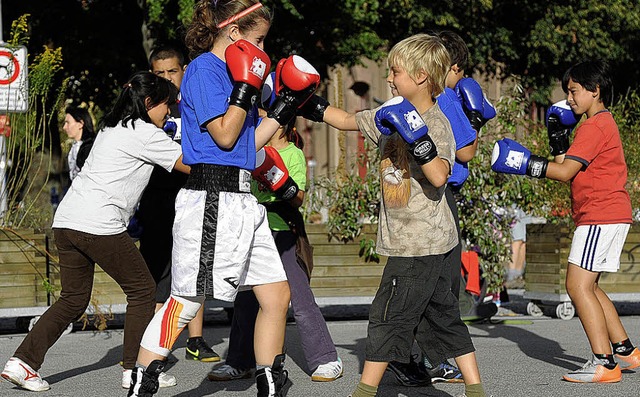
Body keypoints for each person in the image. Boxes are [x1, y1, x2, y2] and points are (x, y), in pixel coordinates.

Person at [127, 1, 320, 396]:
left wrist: (282, 107)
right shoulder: (204, 71)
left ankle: (270, 383)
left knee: (277, 292)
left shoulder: (236, 72)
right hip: (212, 196)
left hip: (243, 197)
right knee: (186, 300)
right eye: (259, 39)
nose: (264, 49)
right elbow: (226, 136)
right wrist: (247, 87)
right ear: (234, 33)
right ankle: (140, 380)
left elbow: (247, 146)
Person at [299, 33, 490, 397]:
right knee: (443, 316)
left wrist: (415, 134)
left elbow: (438, 175)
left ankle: (365, 390)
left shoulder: (436, 123)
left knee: (387, 315)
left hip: (420, 242)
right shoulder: (389, 114)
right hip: (415, 239)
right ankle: (476, 389)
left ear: (420, 76)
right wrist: (303, 101)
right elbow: (344, 120)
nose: (388, 78)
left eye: (395, 71)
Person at [0, 71, 189, 392]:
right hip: (99, 225)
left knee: (73, 299)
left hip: (67, 221)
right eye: (166, 105)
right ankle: (135, 369)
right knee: (143, 291)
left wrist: (171, 130)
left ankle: (22, 362)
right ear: (148, 103)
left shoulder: (111, 127)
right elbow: (190, 165)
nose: (169, 112)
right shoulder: (145, 133)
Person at [491, 59, 640, 383]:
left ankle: (605, 363)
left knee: (577, 285)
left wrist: (523, 163)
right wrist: (558, 138)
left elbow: (563, 172)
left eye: (573, 92)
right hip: (605, 213)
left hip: (600, 214)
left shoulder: (593, 125)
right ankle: (626, 352)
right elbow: (566, 164)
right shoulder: (600, 123)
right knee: (591, 286)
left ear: (594, 90)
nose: (569, 99)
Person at [208, 82, 343, 383]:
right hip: (252, 232)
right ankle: (239, 361)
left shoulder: (293, 154)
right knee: (245, 300)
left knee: (300, 296)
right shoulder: (250, 150)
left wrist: (280, 184)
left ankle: (325, 357)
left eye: (264, 115)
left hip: (282, 232)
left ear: (282, 120)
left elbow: (299, 199)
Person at [386, 29, 496, 387]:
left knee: (417, 281)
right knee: (437, 284)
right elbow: (466, 152)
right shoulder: (445, 97)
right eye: (458, 73)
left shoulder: (415, 100)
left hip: (406, 195)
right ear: (447, 68)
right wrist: (474, 120)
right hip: (436, 197)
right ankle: (420, 358)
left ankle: (412, 357)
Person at [136, 45, 221, 378]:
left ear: (183, 70)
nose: (167, 78)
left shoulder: (195, 102)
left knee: (192, 264)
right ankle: (148, 342)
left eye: (172, 71)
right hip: (156, 196)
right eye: (159, 73)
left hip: (192, 190)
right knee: (154, 270)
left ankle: (195, 339)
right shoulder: (147, 109)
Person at [62, 105, 95, 182]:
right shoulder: (75, 147)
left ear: (80, 124)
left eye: (68, 123)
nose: (64, 127)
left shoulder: (90, 149)